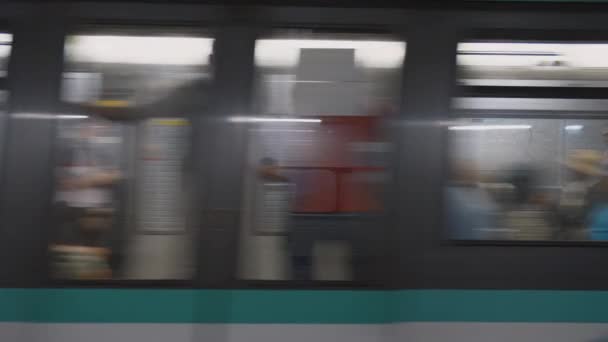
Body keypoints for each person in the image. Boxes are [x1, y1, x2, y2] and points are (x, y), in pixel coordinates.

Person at [445, 161, 498, 240]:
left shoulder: (481, 191)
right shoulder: (450, 193)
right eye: (467, 170)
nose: (472, 173)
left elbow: (491, 215)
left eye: (474, 171)